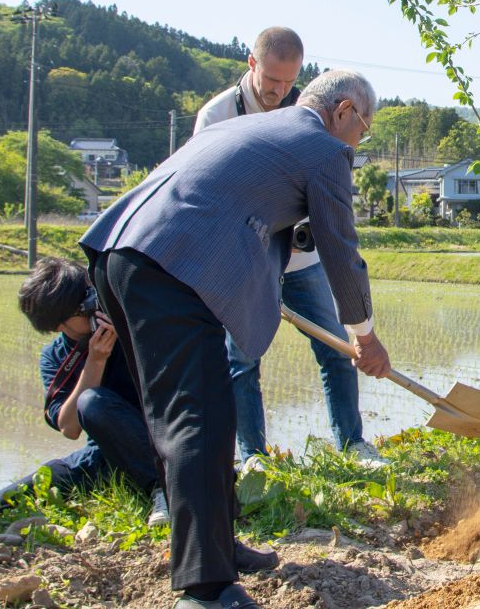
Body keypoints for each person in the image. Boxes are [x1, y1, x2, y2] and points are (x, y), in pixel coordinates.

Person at [80, 69, 391, 609]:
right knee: (195, 418)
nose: (358, 141)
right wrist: (364, 335)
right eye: (362, 129)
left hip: (122, 254)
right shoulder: (322, 149)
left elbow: (234, 202)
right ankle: (206, 589)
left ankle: (218, 546)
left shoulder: (254, 130)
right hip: (171, 267)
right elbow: (342, 253)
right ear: (343, 110)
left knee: (196, 413)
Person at [193, 27, 382, 468]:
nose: (279, 91)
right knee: (241, 357)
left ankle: (352, 442)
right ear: (251, 64)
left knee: (337, 346)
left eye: (288, 81)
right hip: (247, 262)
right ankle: (253, 456)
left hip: (303, 258)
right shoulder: (217, 116)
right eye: (271, 80)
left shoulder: (309, 112)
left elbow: (336, 231)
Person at [16, 257, 165, 524]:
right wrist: (96, 360)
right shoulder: (56, 357)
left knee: (92, 402)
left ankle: (166, 487)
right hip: (108, 454)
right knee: (39, 483)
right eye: (83, 310)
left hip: (161, 441)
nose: (94, 309)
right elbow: (69, 427)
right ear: (58, 325)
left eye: (92, 297)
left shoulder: (129, 323)